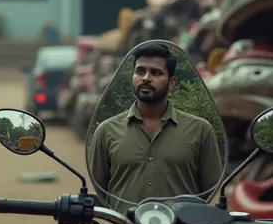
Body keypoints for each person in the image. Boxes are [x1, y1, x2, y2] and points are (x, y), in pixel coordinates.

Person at [88, 42, 223, 214]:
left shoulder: (201, 130)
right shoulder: (106, 131)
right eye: (140, 71)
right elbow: (99, 191)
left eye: (156, 73)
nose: (146, 78)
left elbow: (212, 192)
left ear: (172, 83)